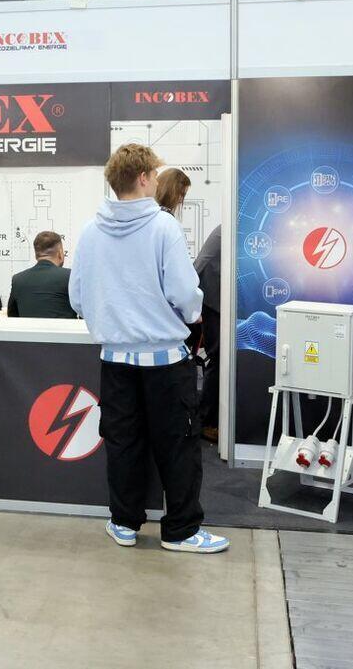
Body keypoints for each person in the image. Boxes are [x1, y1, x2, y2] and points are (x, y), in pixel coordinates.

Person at [69, 143, 228, 555]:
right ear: (143, 178)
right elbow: (186, 294)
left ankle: (123, 523)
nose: (157, 181)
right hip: (165, 362)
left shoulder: (90, 231)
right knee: (177, 445)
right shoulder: (163, 227)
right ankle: (181, 531)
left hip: (115, 361)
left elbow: (77, 297)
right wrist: (188, 313)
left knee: (123, 443)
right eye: (155, 175)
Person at [193, 224, 222, 442]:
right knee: (218, 358)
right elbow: (199, 264)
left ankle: (210, 419)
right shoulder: (226, 229)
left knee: (219, 359)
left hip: (218, 301)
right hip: (213, 301)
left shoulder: (231, 228)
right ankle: (206, 421)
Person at [8, 231, 75, 319]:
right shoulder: (70, 276)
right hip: (64, 328)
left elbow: (12, 316)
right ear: (60, 253)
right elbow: (84, 312)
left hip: (29, 328)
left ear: (36, 255)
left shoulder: (18, 279)